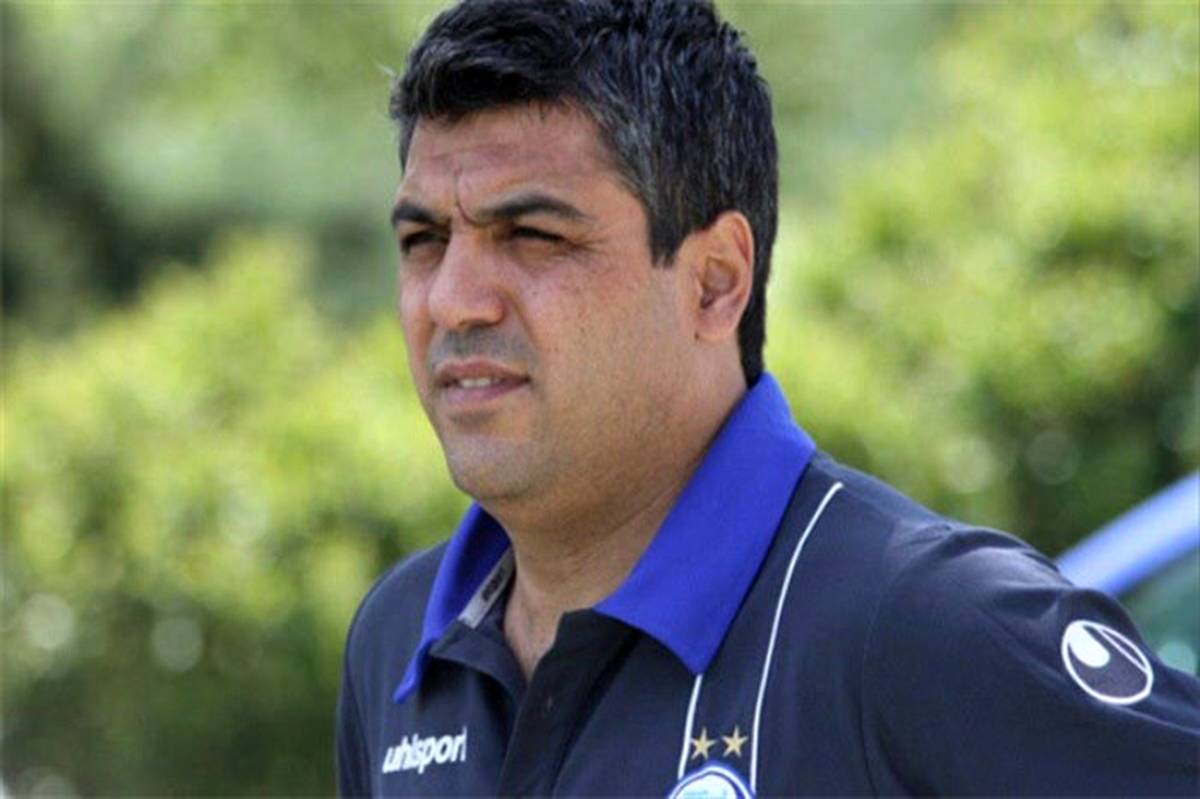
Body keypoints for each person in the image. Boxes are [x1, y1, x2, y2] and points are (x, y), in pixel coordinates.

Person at [336, 1, 1200, 795]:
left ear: (716, 281)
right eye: (424, 239)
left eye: (532, 234)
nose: (454, 299)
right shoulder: (396, 639)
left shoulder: (922, 622)